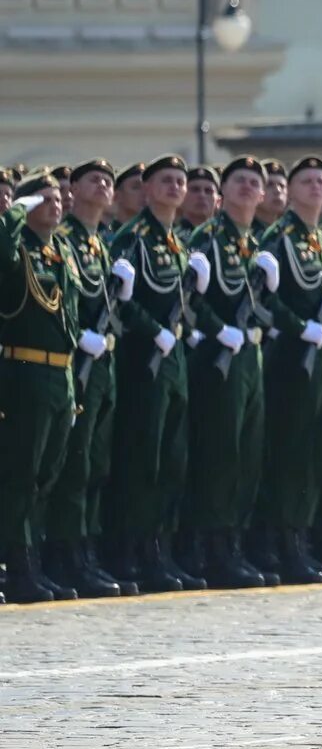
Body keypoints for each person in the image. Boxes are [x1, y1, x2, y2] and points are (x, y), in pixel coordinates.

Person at [182, 156, 278, 589]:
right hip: (217, 361)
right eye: (238, 180)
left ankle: (235, 544)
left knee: (247, 454)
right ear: (224, 192)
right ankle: (214, 550)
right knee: (221, 455)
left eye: (254, 182)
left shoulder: (256, 245)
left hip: (249, 358)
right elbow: (186, 301)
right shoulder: (207, 239)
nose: (247, 187)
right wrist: (217, 329)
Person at [256, 157, 322, 583]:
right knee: (292, 454)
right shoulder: (280, 239)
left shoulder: (321, 240)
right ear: (290, 191)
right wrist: (300, 327)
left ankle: (302, 539)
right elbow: (265, 301)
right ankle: (283, 545)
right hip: (292, 361)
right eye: (306, 181)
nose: (316, 187)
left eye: (321, 181)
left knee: (316, 452)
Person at [108, 155, 201, 592]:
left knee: (172, 458)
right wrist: (154, 330)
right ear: (146, 189)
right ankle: (133, 552)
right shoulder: (135, 237)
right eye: (165, 180)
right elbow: (121, 300)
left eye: (180, 181)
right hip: (143, 361)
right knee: (143, 458)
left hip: (173, 359)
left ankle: (158, 549)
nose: (174, 187)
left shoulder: (177, 241)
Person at [48, 159, 131, 597]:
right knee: (74, 463)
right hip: (77, 361)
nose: (102, 185)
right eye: (92, 179)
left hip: (105, 365)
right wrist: (79, 337)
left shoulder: (102, 245)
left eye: (108, 181)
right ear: (73, 190)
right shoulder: (63, 241)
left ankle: (88, 551)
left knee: (97, 462)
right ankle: (66, 553)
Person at [0, 172, 81, 603]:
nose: (55, 203)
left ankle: (32, 561)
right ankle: (18, 566)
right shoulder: (18, 251)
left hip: (60, 374)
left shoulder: (59, 251)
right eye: (43, 199)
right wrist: (15, 211)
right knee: (22, 474)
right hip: (26, 371)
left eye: (56, 198)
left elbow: (70, 311)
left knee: (48, 474)